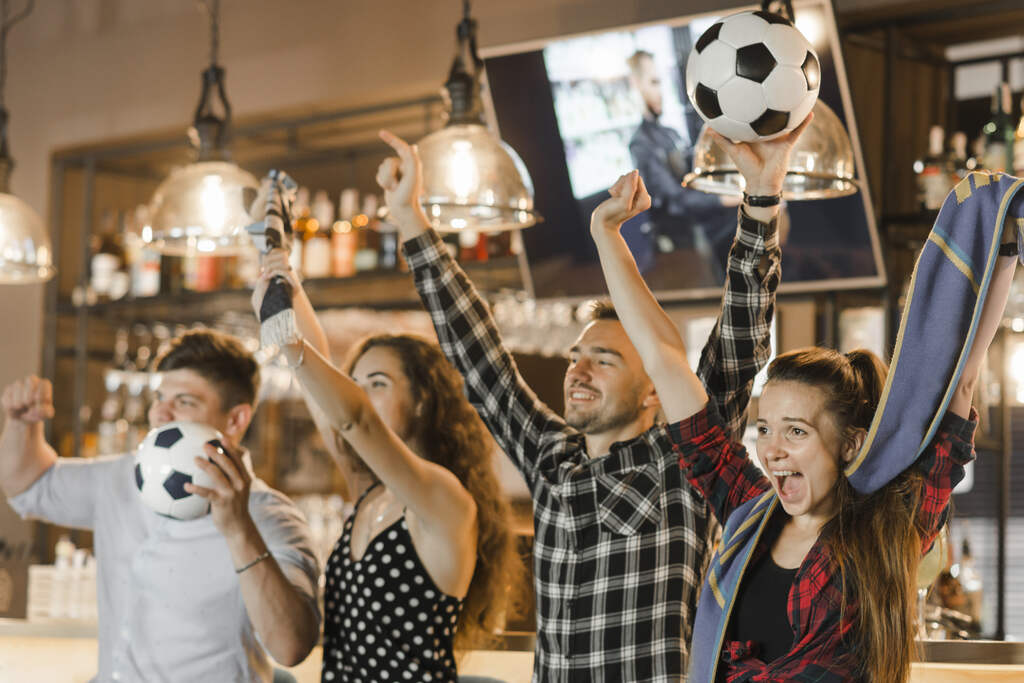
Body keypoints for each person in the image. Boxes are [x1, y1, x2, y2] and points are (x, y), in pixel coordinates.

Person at [371, 121, 807, 681]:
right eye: (577, 355)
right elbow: (476, 352)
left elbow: (742, 335)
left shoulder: (686, 459)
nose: (578, 368)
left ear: (654, 386)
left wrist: (763, 199)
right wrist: (410, 219)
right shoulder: (551, 458)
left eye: (605, 360)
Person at [591, 126, 1016, 681]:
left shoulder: (887, 527)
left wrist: (1004, 243)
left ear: (850, 443)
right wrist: (606, 236)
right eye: (763, 429)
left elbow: (959, 381)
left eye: (795, 431)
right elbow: (664, 356)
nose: (770, 450)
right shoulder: (747, 512)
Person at [251, 253, 521, 683]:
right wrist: (290, 286)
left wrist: (284, 335)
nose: (360, 394)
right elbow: (331, 397)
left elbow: (353, 418)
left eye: (377, 383)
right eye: (355, 383)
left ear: (422, 400)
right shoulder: (371, 489)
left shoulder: (443, 497)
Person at [0, 330, 320, 682]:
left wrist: (239, 530)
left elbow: (291, 647)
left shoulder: (272, 516)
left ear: (235, 420)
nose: (160, 414)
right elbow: (29, 486)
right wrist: (21, 424)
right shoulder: (121, 476)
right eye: (159, 398)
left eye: (184, 401)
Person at [626, 49, 733, 274]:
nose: (661, 91)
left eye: (661, 82)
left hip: (703, 231)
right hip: (682, 247)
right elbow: (675, 199)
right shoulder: (640, 144)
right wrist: (726, 199)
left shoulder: (669, 133)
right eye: (654, 82)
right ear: (636, 84)